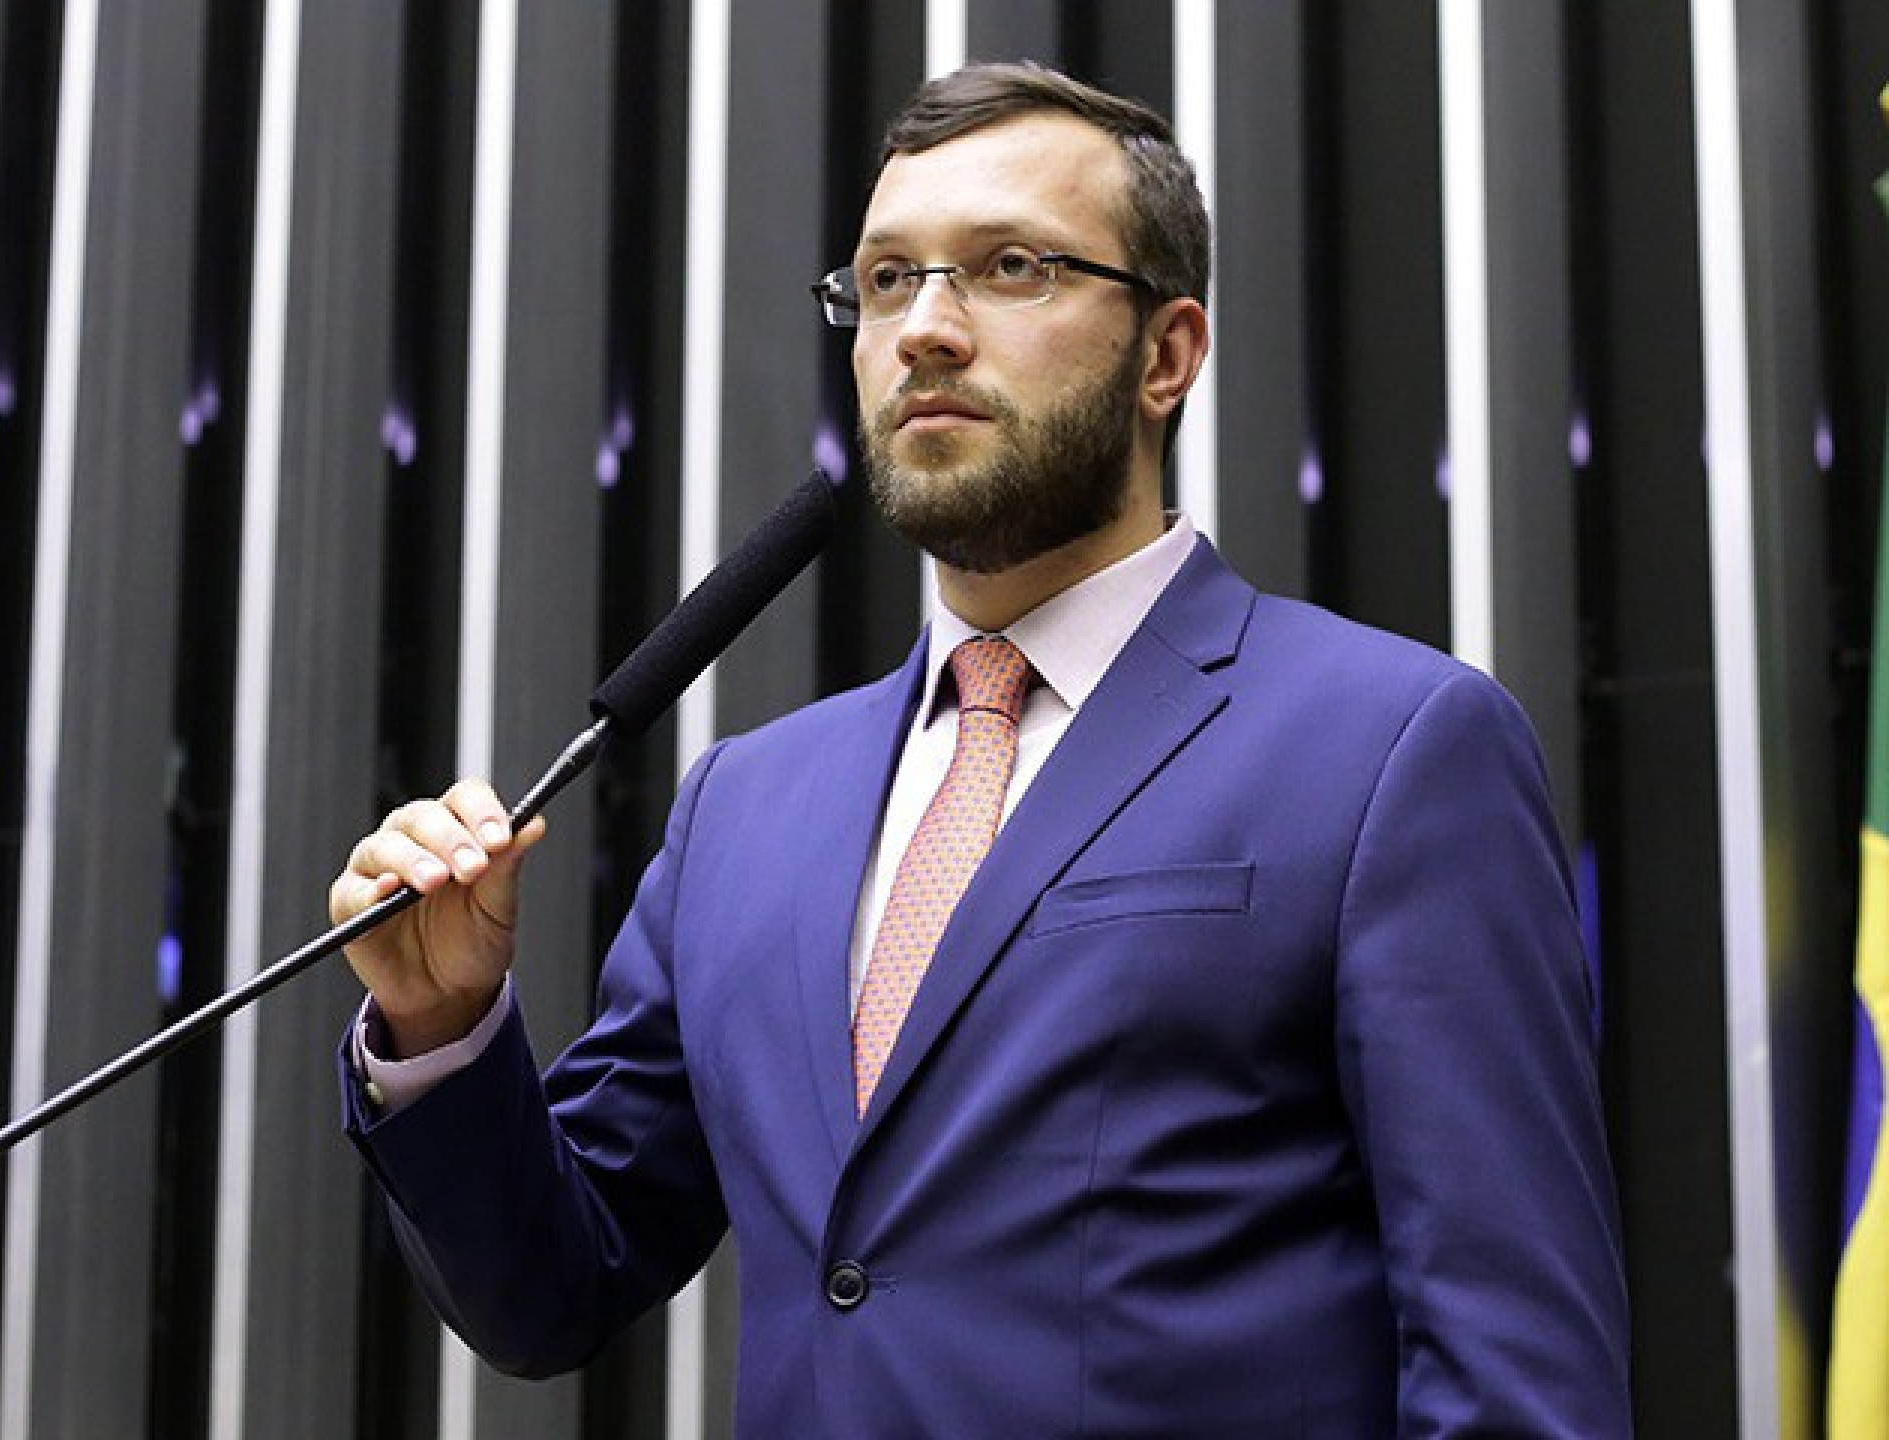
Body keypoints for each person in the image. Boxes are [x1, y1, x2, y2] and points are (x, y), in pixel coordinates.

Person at [333, 61, 1631, 1437]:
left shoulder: (1394, 750)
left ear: (1167, 354)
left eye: (1011, 268)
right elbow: (553, 1288)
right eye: (886, 281)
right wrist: (443, 1028)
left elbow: (1515, 1370)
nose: (927, 331)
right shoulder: (746, 806)